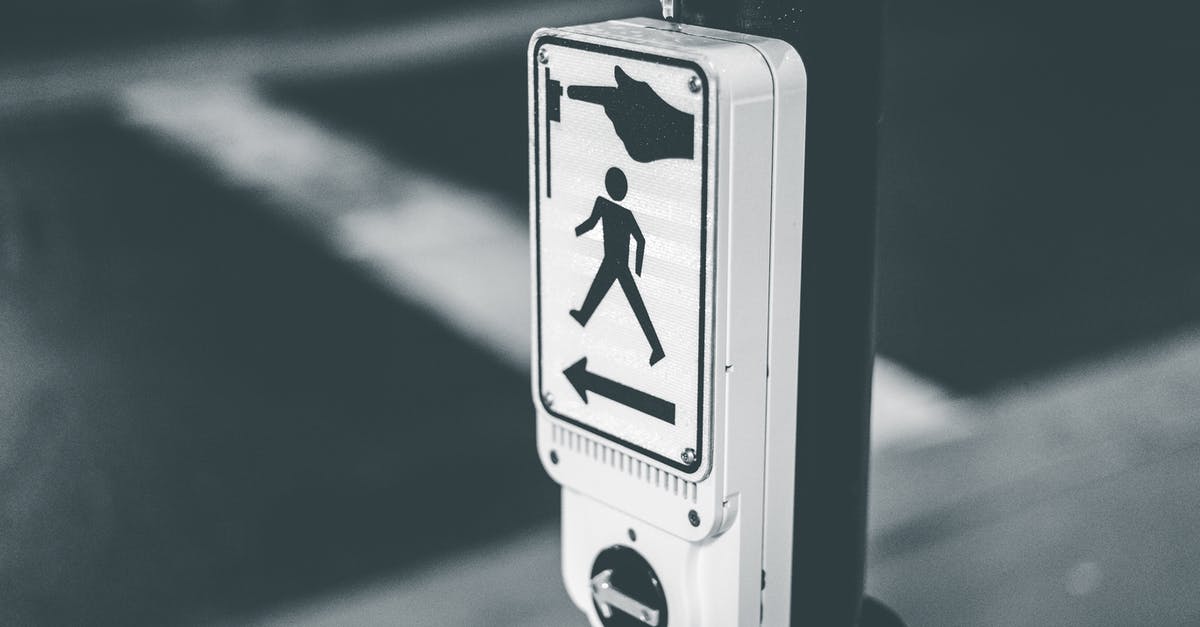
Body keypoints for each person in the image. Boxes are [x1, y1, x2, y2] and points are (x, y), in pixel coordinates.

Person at [570, 167, 666, 366]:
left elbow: (639, 240)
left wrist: (638, 268)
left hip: (619, 264)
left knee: (637, 306)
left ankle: (657, 349)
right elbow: (640, 240)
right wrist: (571, 234)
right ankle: (583, 316)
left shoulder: (607, 206)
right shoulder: (611, 207)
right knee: (599, 290)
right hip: (612, 261)